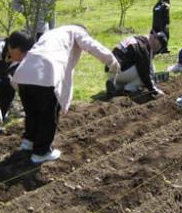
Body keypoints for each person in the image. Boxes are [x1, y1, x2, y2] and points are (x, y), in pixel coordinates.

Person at [12, 25, 121, 164]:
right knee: (48, 115)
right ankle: (41, 152)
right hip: (46, 74)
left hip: (23, 73)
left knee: (32, 111)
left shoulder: (51, 33)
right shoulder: (77, 31)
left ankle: (28, 142)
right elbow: (91, 45)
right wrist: (111, 61)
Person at [105, 31, 167, 97]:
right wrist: (153, 89)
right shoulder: (143, 46)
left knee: (136, 68)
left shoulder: (136, 39)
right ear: (157, 42)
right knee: (149, 68)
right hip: (121, 71)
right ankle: (130, 88)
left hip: (110, 71)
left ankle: (115, 86)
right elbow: (145, 72)